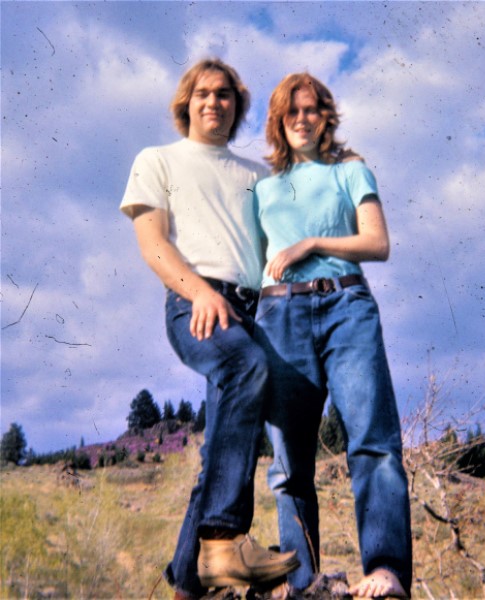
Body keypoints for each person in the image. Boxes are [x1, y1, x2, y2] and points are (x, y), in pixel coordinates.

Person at [120, 58, 299, 600]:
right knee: (246, 366)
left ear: (236, 106)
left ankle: (188, 586)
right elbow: (153, 243)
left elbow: (278, 251)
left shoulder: (257, 177)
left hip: (253, 311)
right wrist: (199, 291)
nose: (213, 102)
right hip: (194, 301)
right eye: (203, 93)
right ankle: (223, 537)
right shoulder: (158, 160)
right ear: (186, 102)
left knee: (218, 456)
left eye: (224, 95)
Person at [253, 73, 413, 599]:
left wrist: (311, 243)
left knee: (373, 441)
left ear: (326, 116)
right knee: (289, 464)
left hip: (347, 305)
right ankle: (301, 584)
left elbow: (378, 242)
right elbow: (251, 261)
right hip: (279, 316)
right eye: (291, 111)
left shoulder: (350, 170)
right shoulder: (263, 186)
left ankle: (386, 571)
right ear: (279, 120)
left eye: (311, 109)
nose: (302, 119)